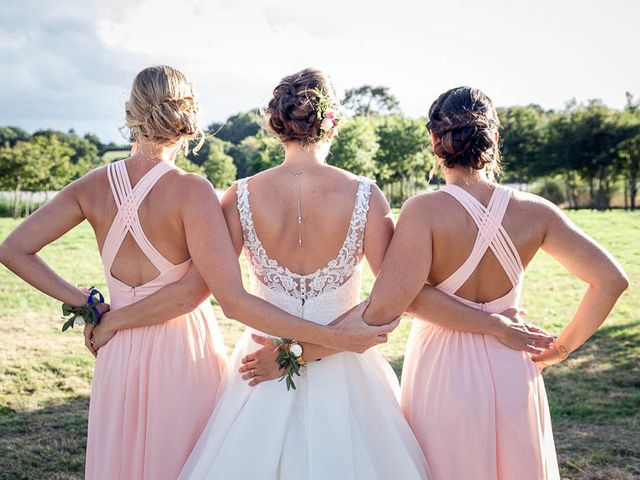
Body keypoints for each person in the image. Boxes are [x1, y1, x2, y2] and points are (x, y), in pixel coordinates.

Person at [0, 66, 395, 480]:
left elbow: (13, 249)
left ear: (131, 112)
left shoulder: (98, 186)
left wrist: (94, 310)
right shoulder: (194, 191)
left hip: (120, 348)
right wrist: (332, 340)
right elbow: (199, 293)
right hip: (183, 349)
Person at [359, 86, 629, 479]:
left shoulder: (423, 210)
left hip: (443, 366)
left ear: (435, 141)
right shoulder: (536, 212)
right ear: (494, 139)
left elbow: (404, 298)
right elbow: (611, 280)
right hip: (515, 360)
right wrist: (561, 349)